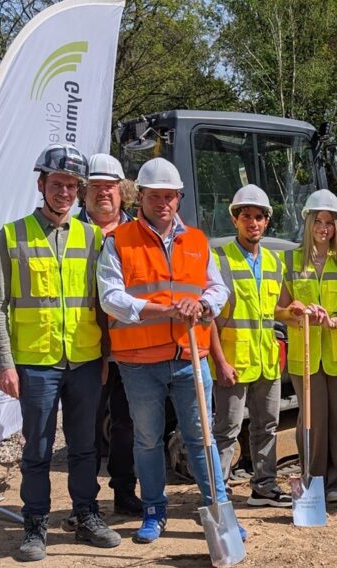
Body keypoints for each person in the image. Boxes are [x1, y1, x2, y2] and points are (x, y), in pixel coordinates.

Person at [97, 157, 243, 544]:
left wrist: (203, 304)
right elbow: (111, 298)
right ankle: (154, 511)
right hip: (139, 362)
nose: (163, 203)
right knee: (148, 440)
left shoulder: (195, 240)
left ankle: (219, 510)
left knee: (201, 438)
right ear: (140, 197)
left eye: (170, 196)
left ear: (179, 198)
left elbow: (218, 288)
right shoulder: (119, 241)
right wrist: (164, 310)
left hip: (189, 358)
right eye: (155, 196)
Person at [0, 144, 120, 561]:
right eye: (57, 183)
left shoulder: (93, 237)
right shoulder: (11, 236)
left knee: (84, 447)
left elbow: (101, 303)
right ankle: (35, 524)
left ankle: (86, 515)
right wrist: (5, 364)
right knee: (37, 449)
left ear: (79, 192)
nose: (64, 192)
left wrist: (104, 356)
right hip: (35, 363)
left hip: (84, 361)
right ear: (41, 184)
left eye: (72, 186)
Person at [276, 190, 337, 503]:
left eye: (330, 222)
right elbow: (279, 310)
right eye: (319, 221)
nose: (324, 228)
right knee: (311, 421)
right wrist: (296, 313)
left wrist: (335, 322)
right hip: (306, 354)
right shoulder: (290, 261)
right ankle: (313, 480)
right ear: (308, 222)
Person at [210, 185, 290, 507]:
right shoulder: (220, 260)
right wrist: (220, 362)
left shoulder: (274, 262)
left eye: (259, 217)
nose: (253, 222)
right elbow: (210, 320)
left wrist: (295, 311)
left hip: (266, 360)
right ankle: (219, 494)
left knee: (267, 426)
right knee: (226, 429)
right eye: (246, 216)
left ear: (267, 221)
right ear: (235, 219)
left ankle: (264, 487)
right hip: (233, 361)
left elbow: (276, 310)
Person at [74, 154, 141, 520]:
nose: (103, 193)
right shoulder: (70, 233)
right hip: (85, 347)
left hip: (130, 346)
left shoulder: (138, 232)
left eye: (109, 187)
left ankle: (124, 493)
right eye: (95, 187)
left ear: (122, 191)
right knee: (85, 428)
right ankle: (83, 504)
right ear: (84, 192)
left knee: (127, 425)